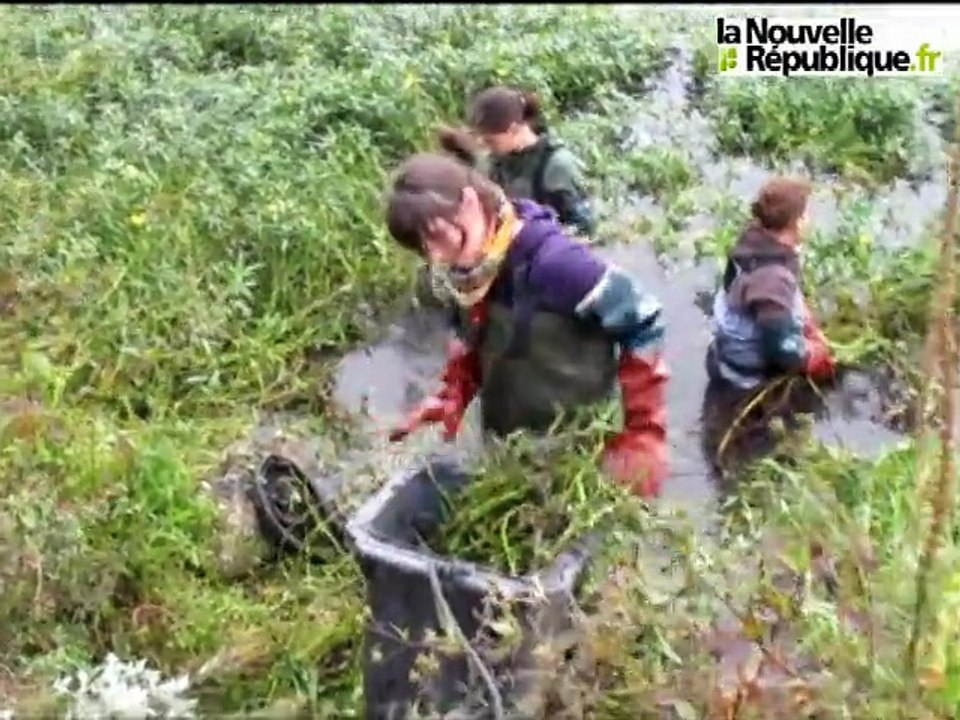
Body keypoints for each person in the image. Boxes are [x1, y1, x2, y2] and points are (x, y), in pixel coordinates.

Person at [383, 152, 668, 499]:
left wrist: (643, 432)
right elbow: (474, 338)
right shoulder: (466, 277)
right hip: (511, 436)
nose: (437, 258)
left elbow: (643, 319)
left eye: (441, 239)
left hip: (576, 438)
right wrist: (453, 393)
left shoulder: (557, 264)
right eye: (424, 249)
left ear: (469, 202)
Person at [705, 176, 836, 391]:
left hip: (723, 356)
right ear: (797, 223)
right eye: (805, 214)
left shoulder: (754, 240)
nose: (809, 219)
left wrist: (808, 324)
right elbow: (783, 350)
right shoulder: (772, 278)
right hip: (745, 378)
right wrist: (815, 355)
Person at [437, 85, 597, 240]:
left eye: (490, 140)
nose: (485, 146)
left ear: (514, 130)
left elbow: (584, 230)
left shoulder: (556, 166)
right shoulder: (496, 161)